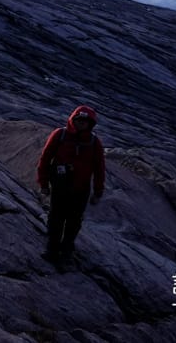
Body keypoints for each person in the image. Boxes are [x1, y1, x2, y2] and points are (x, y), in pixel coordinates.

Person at [36, 105, 105, 264]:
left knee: (74, 221)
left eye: (85, 121)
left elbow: (99, 168)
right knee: (56, 218)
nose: (81, 123)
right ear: (73, 120)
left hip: (81, 189)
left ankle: (66, 250)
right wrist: (43, 183)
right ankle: (52, 249)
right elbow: (45, 159)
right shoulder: (59, 135)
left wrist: (98, 191)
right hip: (60, 187)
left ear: (90, 124)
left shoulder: (94, 142)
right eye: (79, 120)